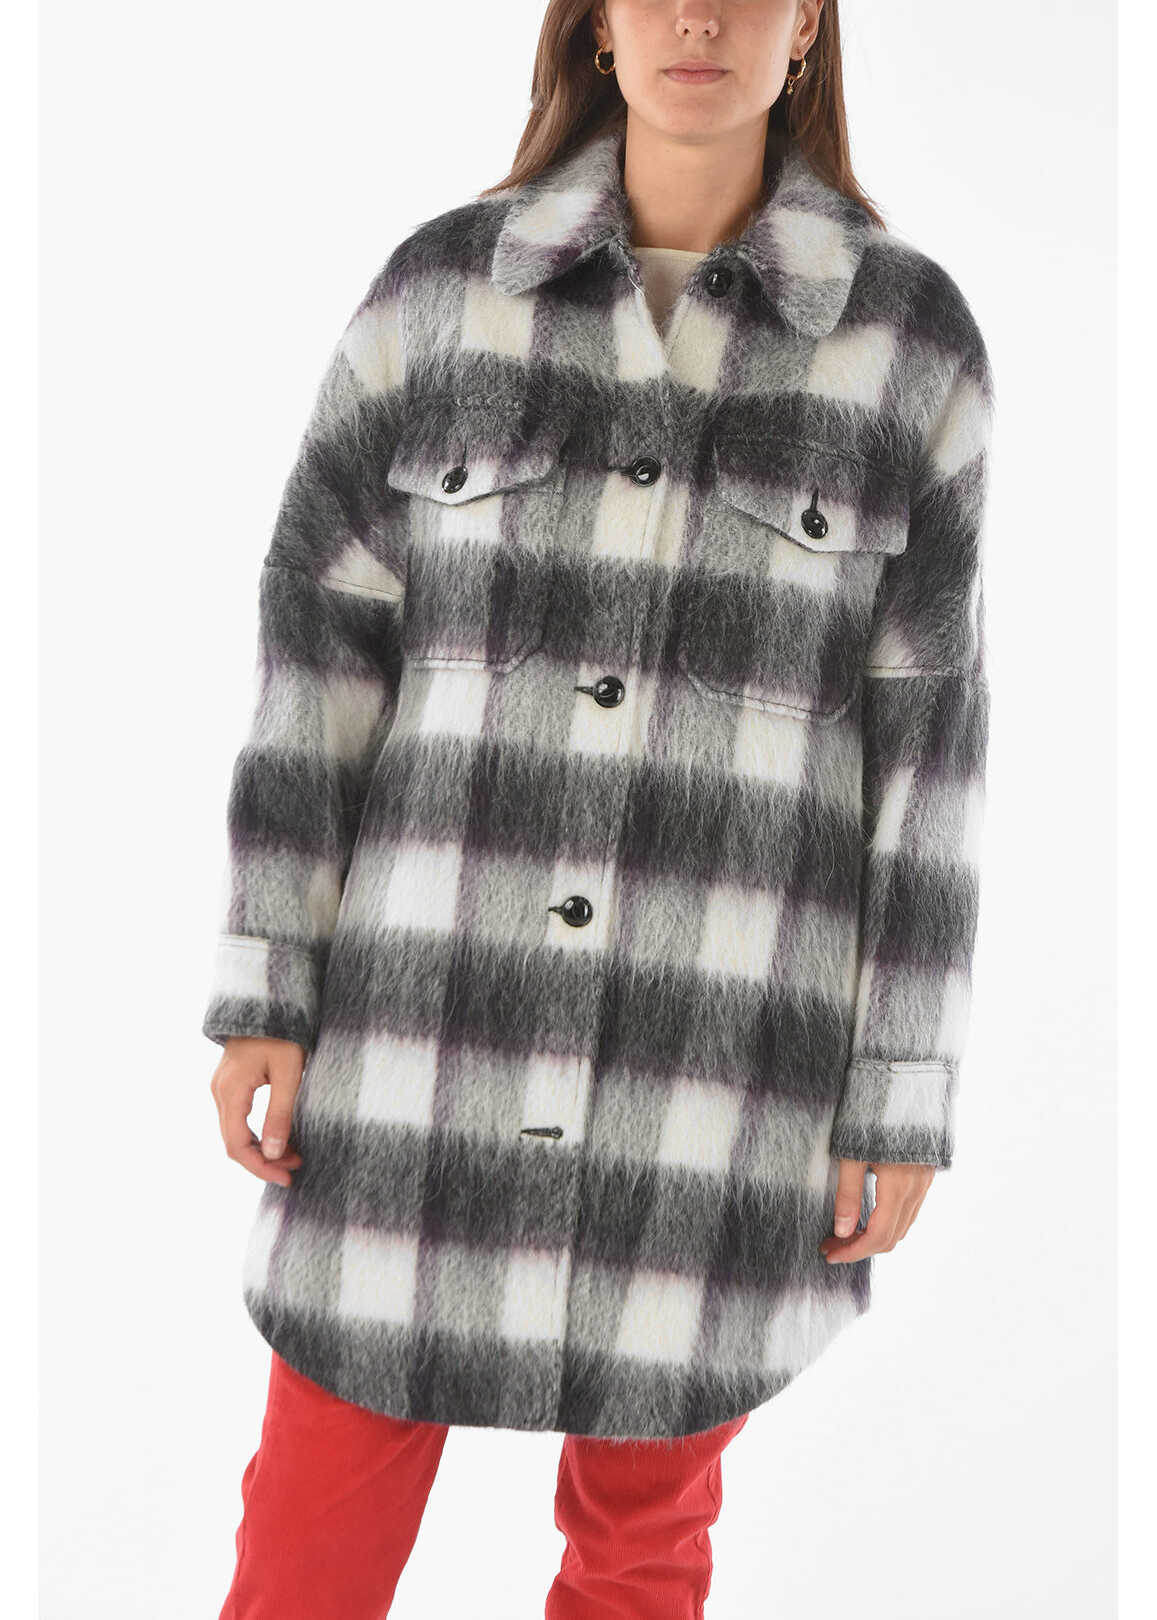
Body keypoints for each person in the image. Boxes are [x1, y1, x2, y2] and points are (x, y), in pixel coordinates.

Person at [204, 2, 995, 1616]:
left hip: (719, 1053)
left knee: (643, 1538)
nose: (695, 17)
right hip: (419, 1033)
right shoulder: (441, 294)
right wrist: (266, 985)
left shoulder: (904, 340)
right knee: (310, 1524)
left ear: (806, 26)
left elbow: (930, 740)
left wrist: (898, 1087)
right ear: (595, 25)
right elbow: (319, 648)